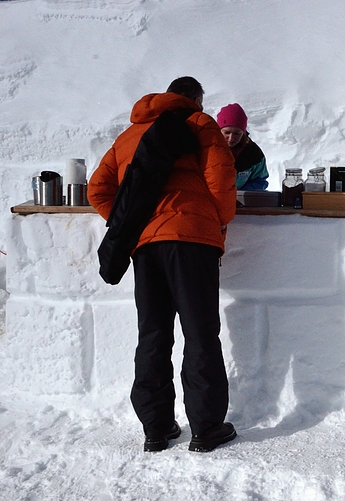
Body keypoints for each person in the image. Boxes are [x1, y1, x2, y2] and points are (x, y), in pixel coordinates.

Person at [88, 76, 239, 453]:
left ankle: (156, 429)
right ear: (196, 100)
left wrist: (129, 223)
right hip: (192, 240)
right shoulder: (200, 124)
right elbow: (221, 179)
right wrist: (218, 219)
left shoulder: (129, 135)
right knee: (200, 332)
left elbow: (97, 189)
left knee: (153, 334)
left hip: (145, 246)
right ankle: (206, 428)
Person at [216, 103, 269, 191]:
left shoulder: (253, 153)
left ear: (243, 133)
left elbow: (260, 180)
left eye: (237, 133)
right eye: (227, 132)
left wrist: (241, 195)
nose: (231, 138)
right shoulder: (208, 149)